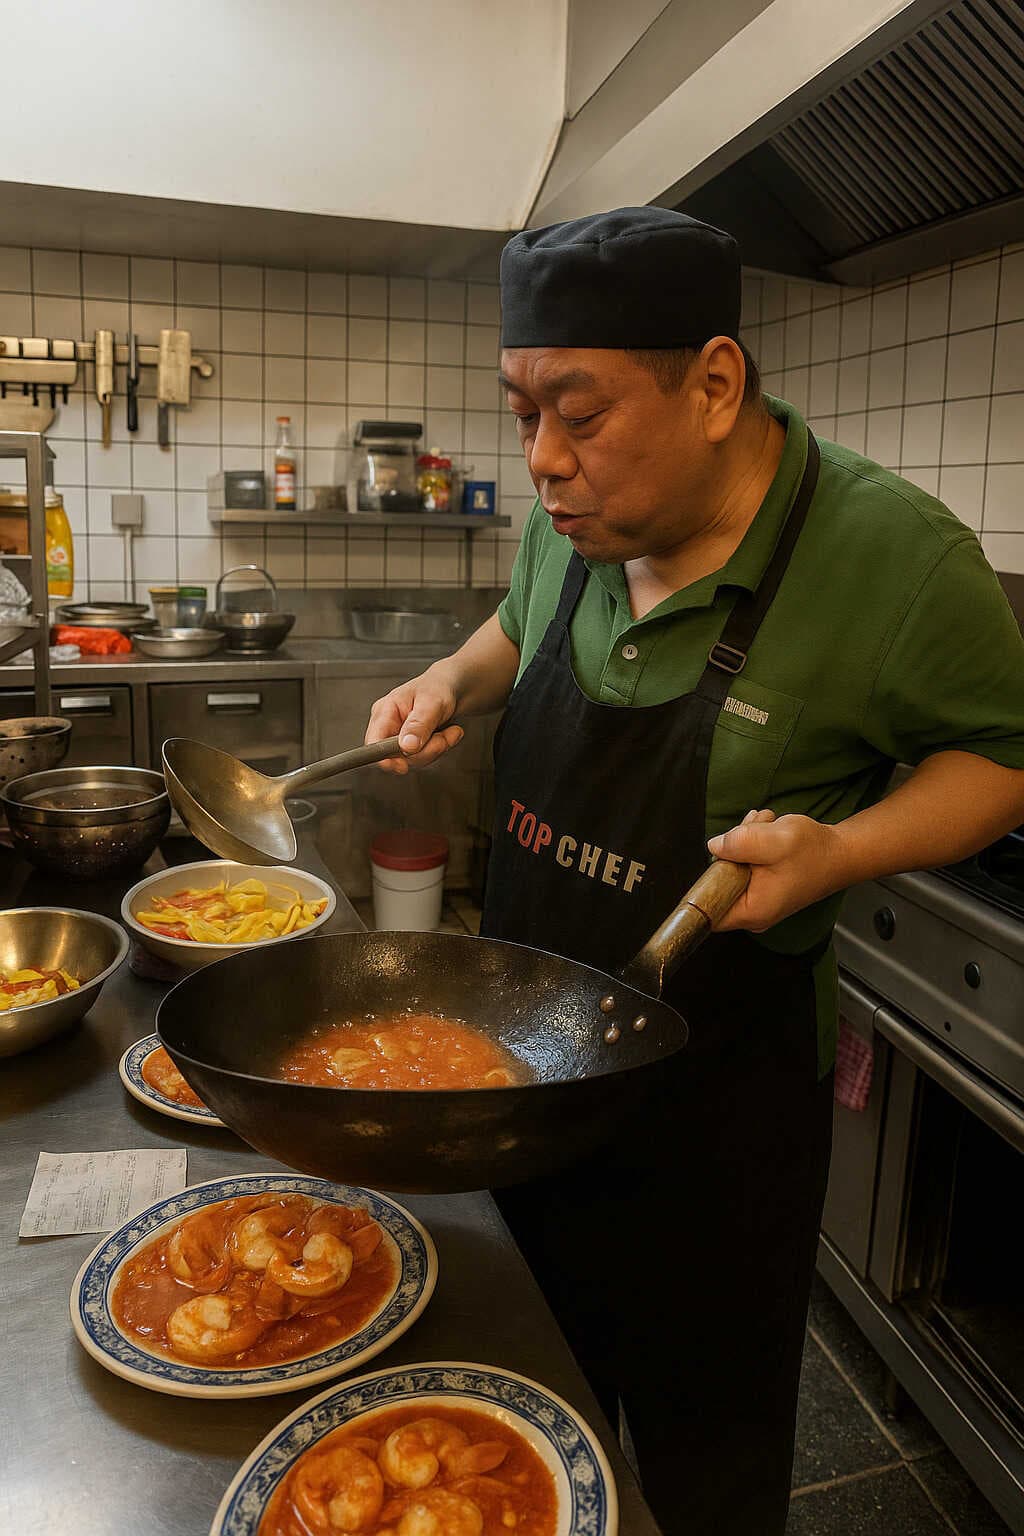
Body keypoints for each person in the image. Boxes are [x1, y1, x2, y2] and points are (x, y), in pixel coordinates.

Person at [364, 208, 1024, 1535]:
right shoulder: (576, 524)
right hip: (519, 1085)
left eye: (582, 413)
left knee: (706, 1478)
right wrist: (450, 678)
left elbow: (1002, 759)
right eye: (522, 411)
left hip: (710, 1139)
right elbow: (518, 620)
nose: (544, 461)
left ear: (716, 384)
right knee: (516, 1440)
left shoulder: (895, 558)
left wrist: (846, 848)